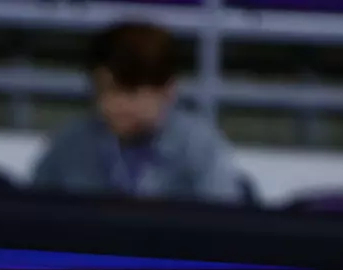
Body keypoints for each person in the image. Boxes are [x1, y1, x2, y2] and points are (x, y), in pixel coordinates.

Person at [32, 22, 248, 204]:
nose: (111, 104)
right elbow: (36, 215)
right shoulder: (70, 143)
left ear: (167, 90)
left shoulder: (200, 148)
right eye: (102, 90)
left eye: (127, 92)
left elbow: (222, 229)